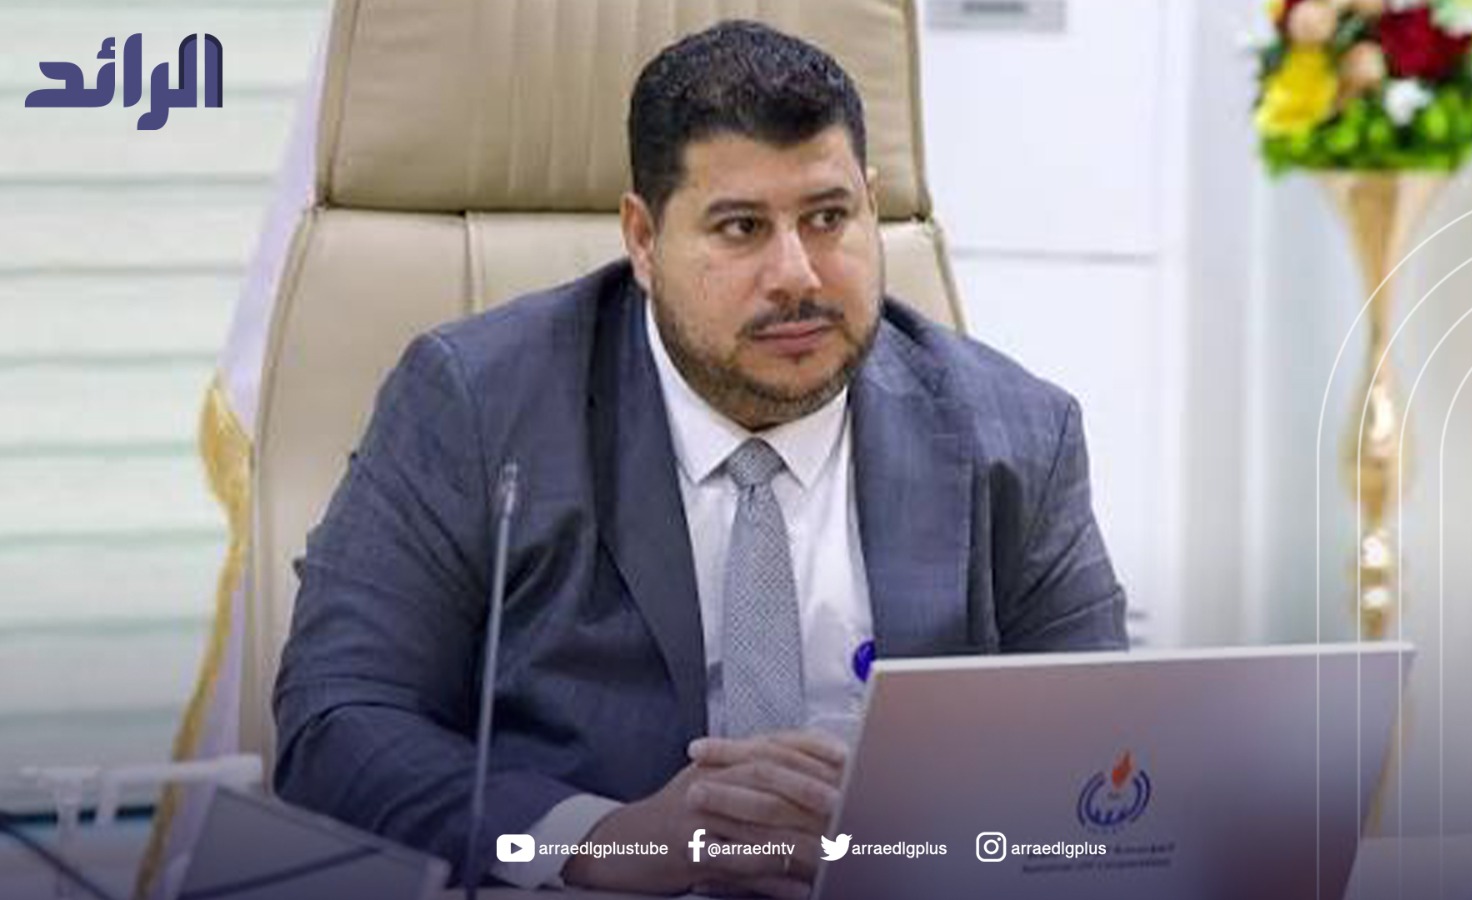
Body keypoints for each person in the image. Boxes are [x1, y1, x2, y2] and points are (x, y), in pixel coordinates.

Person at [273, 19, 1126, 900]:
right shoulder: (479, 406)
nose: (797, 274)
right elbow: (336, 724)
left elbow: (1103, 754)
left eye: (828, 218)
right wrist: (607, 841)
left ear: (873, 209)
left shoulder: (1018, 434)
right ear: (643, 239)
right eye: (741, 227)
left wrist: (924, 847)